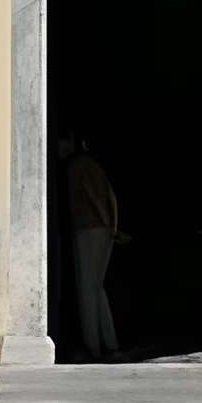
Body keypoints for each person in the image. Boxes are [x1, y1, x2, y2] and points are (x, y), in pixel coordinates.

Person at [57, 132, 122, 359]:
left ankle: (92, 347)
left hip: (88, 227)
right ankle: (108, 342)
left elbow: (95, 197)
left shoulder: (78, 165)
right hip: (101, 228)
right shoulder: (91, 164)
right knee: (96, 288)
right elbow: (109, 196)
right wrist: (112, 227)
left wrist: (106, 224)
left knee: (87, 289)